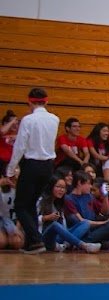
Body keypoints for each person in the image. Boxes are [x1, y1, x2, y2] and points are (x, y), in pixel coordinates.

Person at [5, 88, 59, 253]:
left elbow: (20, 147)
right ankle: (32, 243)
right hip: (48, 166)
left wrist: (10, 170)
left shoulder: (28, 120)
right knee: (30, 204)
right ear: (46, 101)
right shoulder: (55, 119)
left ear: (29, 102)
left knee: (21, 205)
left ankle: (36, 240)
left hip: (32, 165)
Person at [37, 175, 101, 253]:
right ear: (51, 187)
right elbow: (31, 221)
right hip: (43, 237)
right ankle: (84, 245)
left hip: (58, 238)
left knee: (85, 223)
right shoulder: (41, 201)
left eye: (63, 188)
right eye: (58, 187)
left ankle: (65, 245)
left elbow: (64, 226)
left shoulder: (59, 204)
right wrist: (46, 218)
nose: (61, 190)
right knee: (55, 225)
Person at [63, 171, 109, 245]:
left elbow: (105, 212)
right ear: (79, 183)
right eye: (88, 183)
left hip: (92, 227)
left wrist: (105, 197)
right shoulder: (69, 199)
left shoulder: (89, 196)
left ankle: (88, 243)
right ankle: (82, 243)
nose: (90, 186)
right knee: (85, 225)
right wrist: (105, 222)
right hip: (80, 229)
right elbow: (82, 221)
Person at [0, 175, 23, 250]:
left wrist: (17, 228)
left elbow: (23, 212)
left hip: (14, 221)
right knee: (1, 242)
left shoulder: (18, 192)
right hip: (1, 221)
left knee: (17, 242)